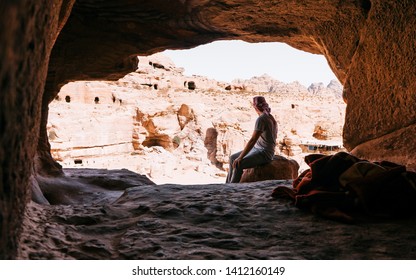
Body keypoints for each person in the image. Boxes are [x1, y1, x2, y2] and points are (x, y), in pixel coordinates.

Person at [226, 96, 278, 183]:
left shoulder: (261, 119)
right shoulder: (270, 117)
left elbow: (253, 140)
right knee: (232, 158)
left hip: (264, 152)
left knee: (239, 164)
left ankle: (232, 187)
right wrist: (239, 157)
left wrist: (240, 157)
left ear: (255, 107)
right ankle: (227, 184)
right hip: (258, 149)